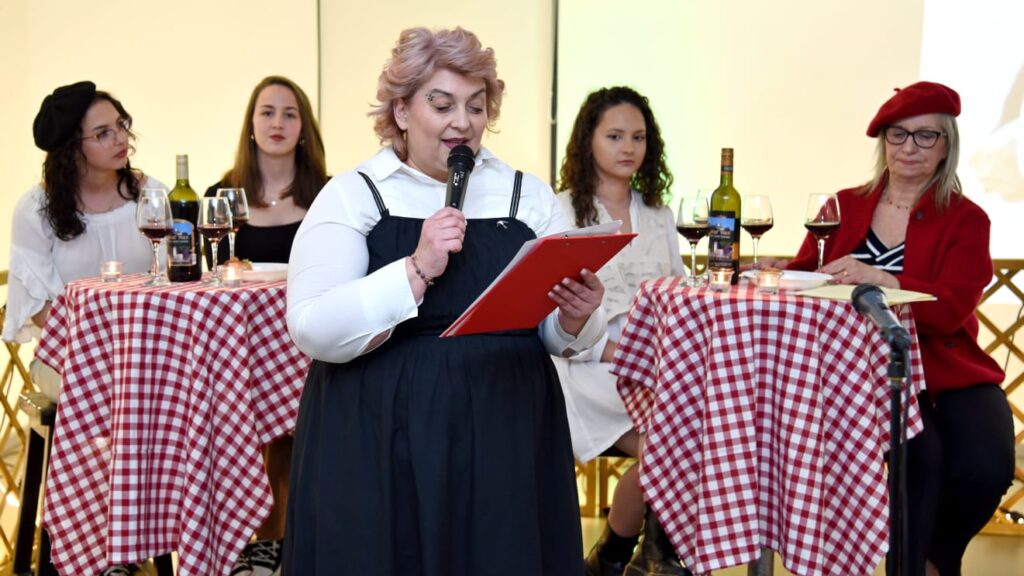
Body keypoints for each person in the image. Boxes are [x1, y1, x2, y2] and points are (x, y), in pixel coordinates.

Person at [282, 26, 607, 576]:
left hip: (507, 430)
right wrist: (415, 269)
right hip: (381, 434)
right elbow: (313, 327)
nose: (463, 123)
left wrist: (575, 316)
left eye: (476, 107)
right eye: (442, 105)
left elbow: (551, 334)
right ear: (401, 110)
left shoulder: (526, 195)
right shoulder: (354, 194)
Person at [784, 81, 1014, 576]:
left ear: (946, 145)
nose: (910, 147)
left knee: (988, 467)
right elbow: (806, 276)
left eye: (926, 135)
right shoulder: (842, 204)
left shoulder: (967, 219)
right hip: (862, 373)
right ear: (883, 141)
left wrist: (885, 279)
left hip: (948, 367)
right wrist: (788, 273)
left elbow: (951, 309)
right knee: (920, 462)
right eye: (898, 134)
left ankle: (934, 562)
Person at [1, 81, 165, 576]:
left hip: (142, 354)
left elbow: (171, 279)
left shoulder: (149, 193)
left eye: (121, 126)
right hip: (65, 358)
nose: (121, 139)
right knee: (108, 391)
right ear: (73, 147)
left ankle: (146, 537)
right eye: (103, 133)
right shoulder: (36, 209)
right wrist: (100, 350)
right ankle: (97, 551)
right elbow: (37, 307)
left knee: (168, 386)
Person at [553, 87, 690, 576]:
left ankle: (613, 558)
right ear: (587, 141)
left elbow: (677, 291)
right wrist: (617, 351)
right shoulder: (561, 211)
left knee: (690, 441)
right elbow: (554, 310)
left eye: (638, 137)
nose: (628, 147)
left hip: (650, 365)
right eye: (614, 136)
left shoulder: (659, 214)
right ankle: (644, 558)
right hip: (585, 364)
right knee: (674, 450)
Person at [204, 75, 328, 576]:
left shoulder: (328, 194)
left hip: (304, 345)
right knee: (232, 424)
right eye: (267, 112)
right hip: (237, 347)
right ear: (251, 125)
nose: (278, 123)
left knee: (293, 431)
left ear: (304, 128)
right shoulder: (219, 195)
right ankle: (240, 539)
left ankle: (280, 540)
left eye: (290, 114)